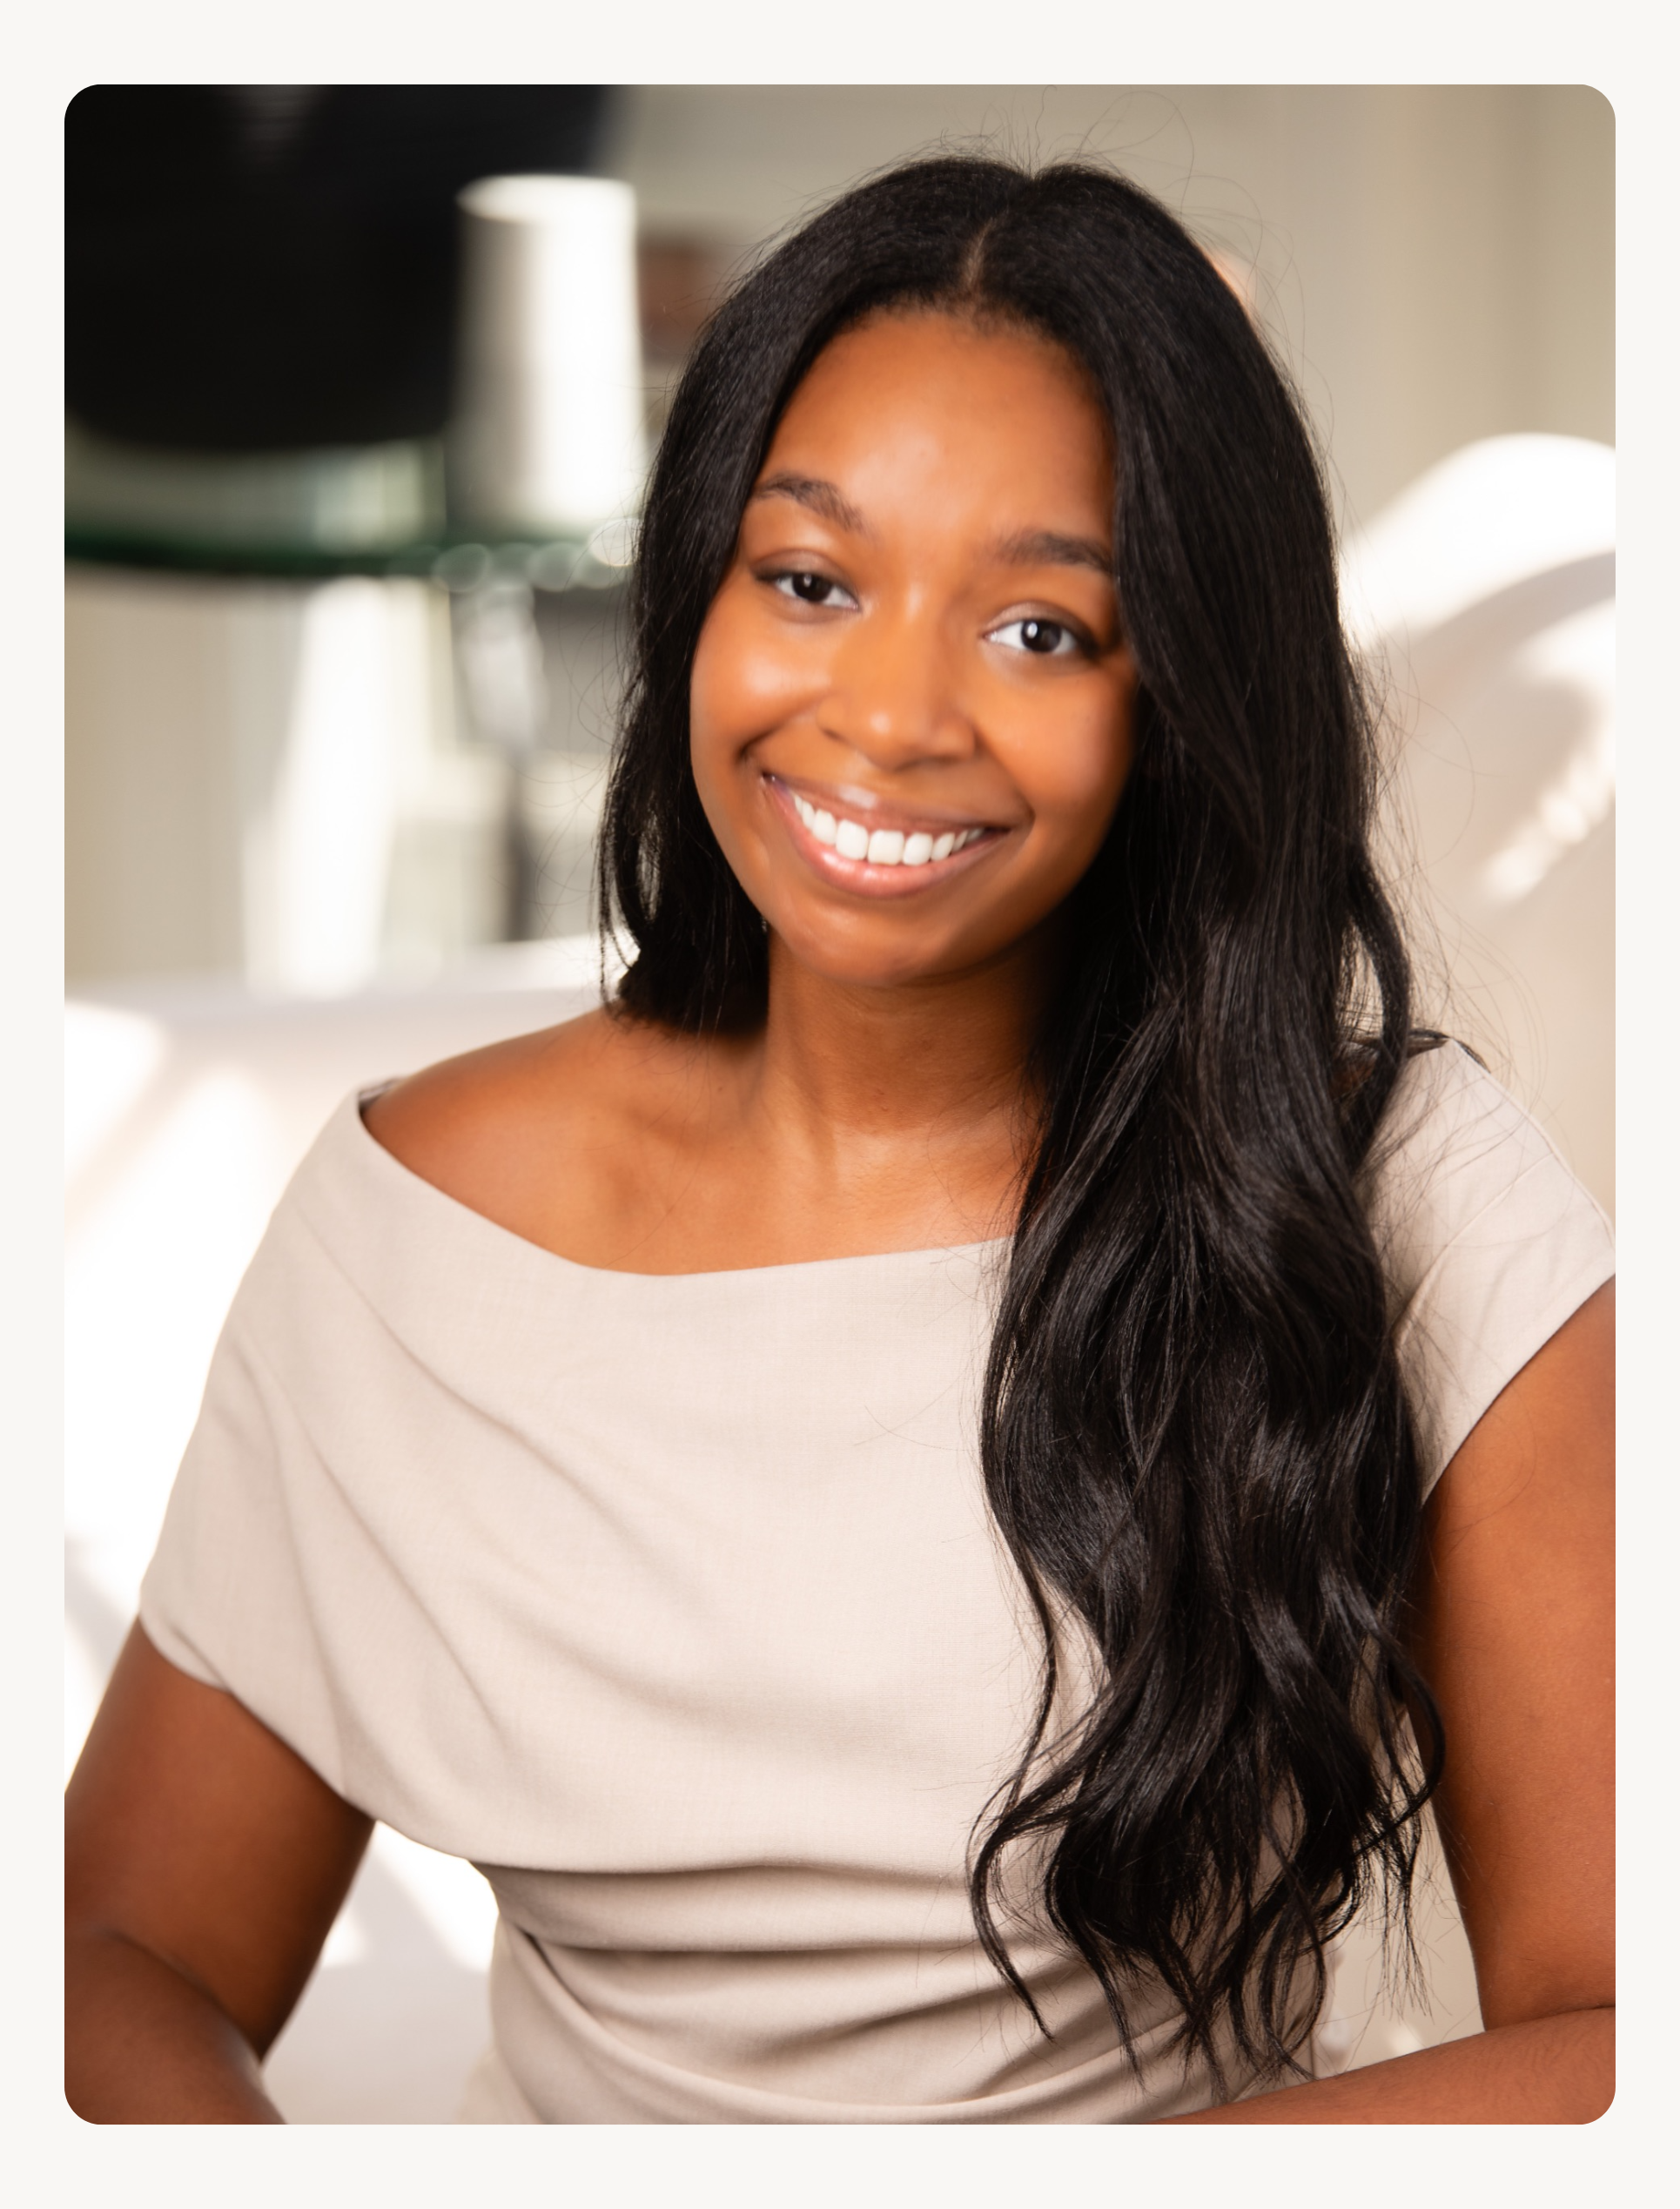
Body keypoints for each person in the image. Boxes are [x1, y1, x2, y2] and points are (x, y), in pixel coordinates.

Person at [65, 156, 1613, 2125]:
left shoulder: (1400, 1192)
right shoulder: (413, 1228)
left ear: (1186, 699)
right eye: (807, 580)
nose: (886, 713)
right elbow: (119, 1949)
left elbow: (1611, 2036)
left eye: (1042, 629)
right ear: (696, 591)